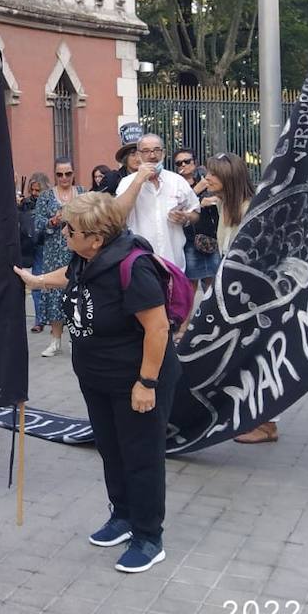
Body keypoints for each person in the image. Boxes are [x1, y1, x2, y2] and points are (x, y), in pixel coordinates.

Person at [13, 192, 180, 573]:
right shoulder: (84, 258)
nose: (65, 233)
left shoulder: (133, 267)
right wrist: (35, 281)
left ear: (97, 238)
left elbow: (157, 328)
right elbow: (68, 276)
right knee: (112, 449)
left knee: (141, 457)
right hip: (97, 378)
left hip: (136, 380)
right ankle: (122, 517)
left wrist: (147, 383)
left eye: (72, 230)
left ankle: (148, 537)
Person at [198, 153, 273, 444]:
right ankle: (252, 417)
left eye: (212, 175)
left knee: (257, 358)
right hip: (235, 296)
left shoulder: (249, 208)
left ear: (228, 178)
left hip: (252, 298)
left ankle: (267, 424)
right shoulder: (225, 205)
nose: (206, 179)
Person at [111, 134, 200, 272]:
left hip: (174, 264)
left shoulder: (177, 181)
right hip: (140, 265)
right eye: (146, 151)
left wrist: (186, 217)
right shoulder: (127, 182)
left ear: (163, 153)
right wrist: (139, 180)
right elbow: (118, 214)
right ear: (139, 155)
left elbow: (195, 213)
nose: (152, 156)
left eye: (157, 150)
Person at [33, 160, 85, 356]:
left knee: (78, 291)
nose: (64, 178)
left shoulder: (82, 192)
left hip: (79, 250)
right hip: (54, 251)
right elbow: (37, 225)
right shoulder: (46, 196)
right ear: (54, 175)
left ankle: (76, 337)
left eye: (68, 173)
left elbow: (92, 216)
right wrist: (53, 221)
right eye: (60, 174)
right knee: (55, 292)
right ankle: (55, 340)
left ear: (73, 173)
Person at [176, 150, 220, 292]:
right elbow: (177, 206)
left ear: (194, 162)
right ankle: (187, 315)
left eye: (187, 161)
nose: (184, 165)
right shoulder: (175, 184)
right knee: (190, 284)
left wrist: (214, 200)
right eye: (179, 163)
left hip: (209, 237)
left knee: (212, 282)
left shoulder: (206, 179)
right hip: (189, 239)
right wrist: (196, 192)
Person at [19, 172, 51, 332]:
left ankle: (54, 318)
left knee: (53, 283)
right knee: (37, 282)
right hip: (34, 245)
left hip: (49, 244)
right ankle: (39, 319)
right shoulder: (26, 203)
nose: (34, 193)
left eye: (37, 190)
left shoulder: (50, 202)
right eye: (32, 190)